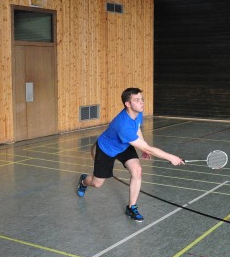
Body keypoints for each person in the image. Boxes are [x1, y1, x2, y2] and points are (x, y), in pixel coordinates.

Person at [76, 87, 184, 222]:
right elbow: (149, 148)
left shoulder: (138, 113)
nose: (141, 102)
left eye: (142, 99)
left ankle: (131, 207)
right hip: (107, 149)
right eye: (137, 100)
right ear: (128, 104)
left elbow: (137, 128)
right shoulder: (123, 125)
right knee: (97, 183)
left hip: (125, 145)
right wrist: (171, 157)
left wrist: (143, 146)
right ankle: (83, 181)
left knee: (137, 170)